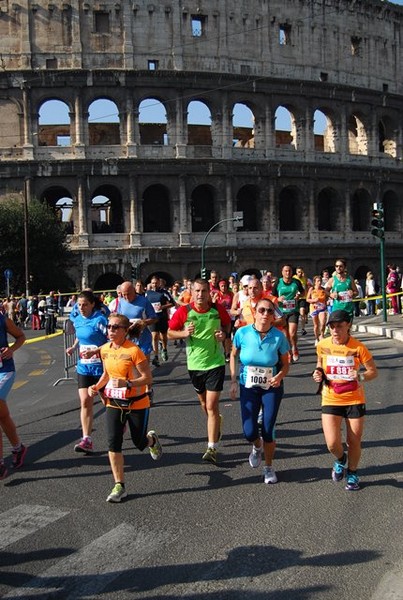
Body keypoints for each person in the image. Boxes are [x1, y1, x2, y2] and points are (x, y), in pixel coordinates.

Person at [88, 313, 162, 502]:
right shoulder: (105, 349)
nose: (110, 330)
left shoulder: (134, 351)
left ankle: (151, 441)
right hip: (114, 402)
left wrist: (127, 384)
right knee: (114, 443)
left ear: (124, 330)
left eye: (115, 327)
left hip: (137, 403)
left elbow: (148, 379)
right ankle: (119, 485)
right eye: (109, 327)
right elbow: (106, 374)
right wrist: (96, 387)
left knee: (139, 443)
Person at [312, 310, 377, 491]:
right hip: (331, 397)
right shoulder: (323, 345)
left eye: (339, 326)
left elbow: (373, 371)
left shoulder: (358, 347)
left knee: (354, 441)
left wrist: (360, 376)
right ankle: (341, 459)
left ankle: (353, 472)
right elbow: (320, 362)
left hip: (354, 399)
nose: (335, 330)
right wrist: (318, 372)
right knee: (332, 443)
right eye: (332, 327)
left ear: (348, 325)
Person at [168, 278, 231, 464]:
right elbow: (170, 332)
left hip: (215, 363)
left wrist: (224, 335)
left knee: (211, 405)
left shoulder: (217, 309)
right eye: (197, 291)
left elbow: (227, 324)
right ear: (191, 292)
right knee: (204, 404)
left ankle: (212, 448)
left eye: (204, 291)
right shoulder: (184, 311)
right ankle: (216, 421)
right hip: (194, 365)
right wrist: (184, 334)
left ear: (209, 292)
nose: (200, 295)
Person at [229, 297, 290, 484]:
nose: (265, 314)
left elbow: (286, 364)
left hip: (271, 387)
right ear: (254, 312)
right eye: (262, 310)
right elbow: (233, 354)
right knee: (249, 431)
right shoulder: (242, 333)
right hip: (248, 387)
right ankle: (256, 447)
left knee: (268, 429)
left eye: (270, 311)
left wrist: (279, 376)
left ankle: (269, 467)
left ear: (274, 316)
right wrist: (233, 380)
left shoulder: (279, 337)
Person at [66, 291, 109, 454]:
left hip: (102, 368)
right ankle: (87, 439)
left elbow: (112, 341)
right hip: (84, 367)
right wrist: (74, 347)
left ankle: (120, 422)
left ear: (92, 304)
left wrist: (96, 352)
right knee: (85, 401)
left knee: (108, 402)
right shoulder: (77, 320)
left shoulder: (100, 320)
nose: (81, 308)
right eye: (79, 305)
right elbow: (80, 336)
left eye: (85, 305)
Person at [0, 312, 27, 479]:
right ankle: (18, 448)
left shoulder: (3, 320)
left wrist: (11, 350)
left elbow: (21, 336)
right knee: (2, 416)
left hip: (4, 372)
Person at [272, 265, 304, 362]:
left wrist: (298, 296)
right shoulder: (278, 282)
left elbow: (303, 292)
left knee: (292, 333)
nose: (287, 273)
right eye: (285, 271)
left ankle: (294, 348)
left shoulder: (296, 282)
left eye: (289, 271)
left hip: (293, 310)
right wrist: (278, 299)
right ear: (282, 272)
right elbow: (272, 296)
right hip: (281, 312)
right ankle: (289, 352)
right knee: (286, 336)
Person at [145, 276, 175, 366]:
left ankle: (164, 349)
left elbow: (172, 303)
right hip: (153, 318)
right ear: (151, 283)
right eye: (153, 283)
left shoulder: (164, 292)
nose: (155, 285)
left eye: (156, 283)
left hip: (162, 317)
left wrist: (162, 307)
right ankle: (156, 357)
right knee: (154, 336)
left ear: (159, 283)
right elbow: (145, 304)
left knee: (163, 336)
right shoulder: (148, 293)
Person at [306, 275, 329, 344]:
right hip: (314, 309)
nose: (319, 282)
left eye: (320, 281)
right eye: (318, 281)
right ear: (315, 282)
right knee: (316, 325)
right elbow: (307, 299)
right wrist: (313, 300)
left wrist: (327, 301)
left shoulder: (323, 290)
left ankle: (321, 335)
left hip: (322, 308)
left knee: (323, 323)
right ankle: (316, 338)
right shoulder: (311, 289)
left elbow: (327, 297)